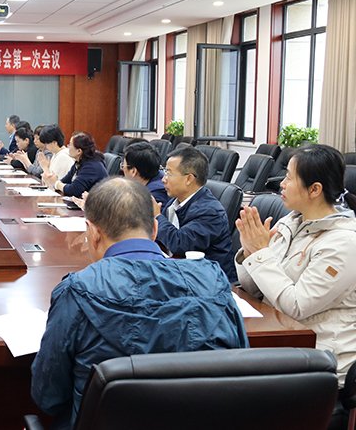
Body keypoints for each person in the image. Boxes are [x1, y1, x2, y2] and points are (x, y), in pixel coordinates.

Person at [31, 177, 248, 430]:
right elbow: (240, 376)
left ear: (93, 232)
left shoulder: (76, 291)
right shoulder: (214, 281)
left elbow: (48, 397)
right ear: (155, 230)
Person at [236, 145, 356, 389]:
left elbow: (297, 306)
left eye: (289, 178)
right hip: (280, 338)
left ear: (315, 189)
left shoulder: (344, 243)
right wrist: (250, 252)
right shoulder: (290, 221)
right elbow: (254, 288)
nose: (282, 183)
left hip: (319, 359)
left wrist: (260, 254)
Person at [153, 146, 237, 282]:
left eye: (169, 174)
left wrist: (157, 217)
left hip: (212, 282)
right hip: (182, 272)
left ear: (189, 179)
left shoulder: (210, 212)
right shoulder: (174, 202)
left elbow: (180, 244)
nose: (163, 179)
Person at [43, 132, 107, 198]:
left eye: (70, 145)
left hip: (96, 203)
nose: (68, 148)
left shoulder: (91, 166)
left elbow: (74, 190)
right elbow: (65, 181)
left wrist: (56, 183)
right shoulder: (79, 162)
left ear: (79, 151)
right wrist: (54, 181)